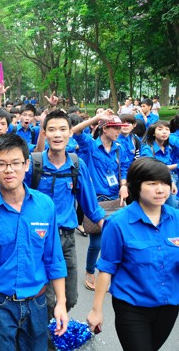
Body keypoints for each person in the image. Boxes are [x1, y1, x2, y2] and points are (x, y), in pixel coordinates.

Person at [0, 133, 68, 350]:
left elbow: (54, 259)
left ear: (27, 164)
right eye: (1, 164)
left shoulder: (45, 205)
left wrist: (61, 303)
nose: (9, 170)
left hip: (38, 302)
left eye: (15, 163)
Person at [28, 109, 106, 350]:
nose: (57, 134)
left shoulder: (76, 165)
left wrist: (115, 234)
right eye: (52, 129)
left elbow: (92, 207)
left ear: (70, 133)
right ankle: (47, 341)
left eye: (63, 129)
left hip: (66, 240)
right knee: (48, 297)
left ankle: (47, 329)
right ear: (44, 133)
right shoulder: (34, 164)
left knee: (68, 297)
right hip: (37, 240)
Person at [87, 157, 179, 351]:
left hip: (169, 304)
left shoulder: (176, 218)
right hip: (132, 306)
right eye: (152, 184)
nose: (160, 189)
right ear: (136, 186)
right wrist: (96, 310)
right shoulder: (118, 223)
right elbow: (106, 268)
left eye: (164, 183)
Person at [72, 112, 131, 291]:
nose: (119, 132)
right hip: (95, 201)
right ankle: (90, 272)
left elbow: (125, 168)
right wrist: (96, 119)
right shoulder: (90, 145)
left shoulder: (120, 148)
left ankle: (109, 274)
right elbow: (75, 131)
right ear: (105, 128)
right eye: (116, 128)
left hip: (115, 200)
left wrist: (123, 185)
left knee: (117, 241)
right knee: (96, 243)